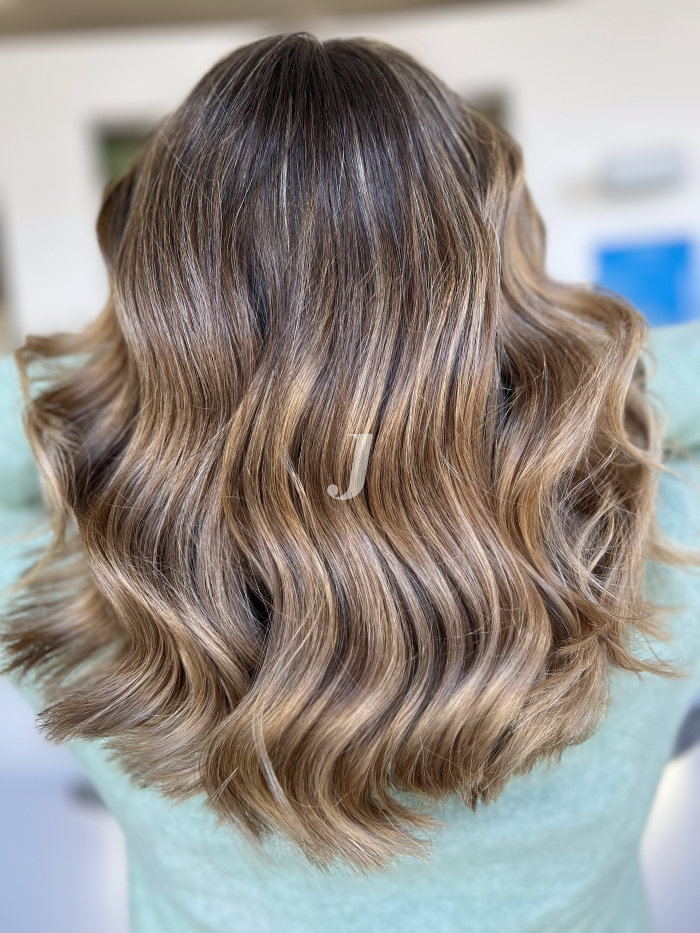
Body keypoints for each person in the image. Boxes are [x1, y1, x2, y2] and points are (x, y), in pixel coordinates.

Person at [1, 32, 700, 933]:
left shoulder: (71, 590)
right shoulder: (655, 548)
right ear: (506, 290)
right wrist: (568, 371)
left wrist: (139, 391)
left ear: (160, 319)